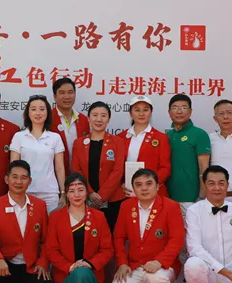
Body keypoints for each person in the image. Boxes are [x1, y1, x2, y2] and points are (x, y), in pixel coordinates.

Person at [108, 168, 184, 283]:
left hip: (162, 265)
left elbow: (177, 240)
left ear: (158, 186)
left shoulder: (171, 206)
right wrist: (122, 263)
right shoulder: (126, 206)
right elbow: (119, 237)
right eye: (139, 185)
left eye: (149, 184)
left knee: (156, 278)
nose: (144, 188)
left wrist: (159, 261)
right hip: (136, 265)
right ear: (133, 188)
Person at [46, 173, 121, 283]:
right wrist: (70, 267)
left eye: (81, 190)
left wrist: (89, 264)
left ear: (87, 192)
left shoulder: (99, 217)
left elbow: (107, 250)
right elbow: (51, 250)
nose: (77, 195)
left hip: (92, 275)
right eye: (72, 191)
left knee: (83, 273)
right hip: (65, 275)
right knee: (79, 273)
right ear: (66, 194)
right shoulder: (56, 217)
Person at [165, 94, 211, 283]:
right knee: (176, 245)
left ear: (191, 111)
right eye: (175, 107)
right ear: (169, 112)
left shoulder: (199, 134)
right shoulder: (166, 136)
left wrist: (201, 196)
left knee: (192, 246)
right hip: (169, 199)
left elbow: (204, 169)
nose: (179, 111)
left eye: (184, 107)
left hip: (192, 200)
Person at [71, 101, 125, 231]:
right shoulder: (78, 143)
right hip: (85, 199)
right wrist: (90, 193)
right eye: (95, 115)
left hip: (113, 200)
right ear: (88, 118)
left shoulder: (118, 142)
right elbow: (76, 170)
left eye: (103, 115)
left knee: (112, 234)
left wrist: (101, 196)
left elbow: (118, 171)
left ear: (108, 119)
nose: (99, 119)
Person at [10, 95, 66, 212]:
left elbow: (60, 168)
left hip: (50, 193)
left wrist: (63, 192)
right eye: (33, 109)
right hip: (25, 191)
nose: (38, 113)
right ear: (28, 113)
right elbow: (13, 167)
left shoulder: (55, 137)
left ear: (47, 112)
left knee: (51, 223)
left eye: (42, 109)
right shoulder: (19, 137)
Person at [117, 95, 171, 198]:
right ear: (130, 113)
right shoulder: (120, 137)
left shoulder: (161, 138)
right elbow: (116, 168)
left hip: (153, 194)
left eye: (145, 110)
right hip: (127, 193)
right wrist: (121, 184)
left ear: (151, 112)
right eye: (137, 110)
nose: (141, 114)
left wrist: (151, 185)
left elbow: (165, 168)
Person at [50, 78, 90, 174]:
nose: (67, 96)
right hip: (54, 174)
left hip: (79, 176)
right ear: (55, 97)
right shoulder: (48, 119)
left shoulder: (83, 119)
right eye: (62, 93)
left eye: (70, 92)